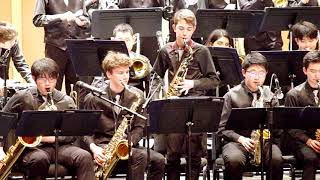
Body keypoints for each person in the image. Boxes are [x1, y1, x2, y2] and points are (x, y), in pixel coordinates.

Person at [152, 9, 220, 179]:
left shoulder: (201, 51)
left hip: (196, 105)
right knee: (172, 154)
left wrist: (193, 83)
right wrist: (157, 99)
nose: (185, 33)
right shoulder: (166, 50)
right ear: (174, 27)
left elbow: (214, 80)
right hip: (174, 105)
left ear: (194, 29)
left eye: (189, 29)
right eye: (181, 28)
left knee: (194, 154)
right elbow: (155, 76)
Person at [0, 58, 95, 179]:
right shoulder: (23, 97)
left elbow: (74, 133)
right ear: (34, 79)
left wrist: (54, 137)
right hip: (31, 149)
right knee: (40, 159)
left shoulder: (66, 101)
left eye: (51, 79)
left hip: (60, 147)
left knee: (84, 156)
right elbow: (3, 120)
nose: (47, 84)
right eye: (43, 79)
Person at [83, 51, 165, 180]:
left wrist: (129, 143)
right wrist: (94, 149)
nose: (125, 76)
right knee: (140, 156)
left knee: (159, 160)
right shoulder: (93, 98)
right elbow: (85, 131)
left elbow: (139, 127)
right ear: (109, 74)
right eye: (120, 73)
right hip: (103, 144)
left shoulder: (137, 95)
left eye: (127, 72)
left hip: (127, 143)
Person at [218, 52, 283, 180]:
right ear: (244, 72)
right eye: (252, 72)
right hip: (236, 142)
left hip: (264, 142)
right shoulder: (231, 96)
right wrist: (240, 139)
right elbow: (221, 129)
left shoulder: (270, 96)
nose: (257, 77)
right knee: (234, 160)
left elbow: (279, 128)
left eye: (261, 73)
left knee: (276, 159)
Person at [33, 0, 90, 95]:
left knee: (76, 88)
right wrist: (60, 17)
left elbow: (87, 20)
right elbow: (37, 19)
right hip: (55, 47)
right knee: (53, 85)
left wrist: (83, 22)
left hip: (76, 48)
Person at [285, 51, 320, 180]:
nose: (318, 75)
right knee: (310, 158)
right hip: (301, 140)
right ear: (305, 71)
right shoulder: (294, 94)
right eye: (313, 71)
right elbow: (290, 127)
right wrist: (308, 141)